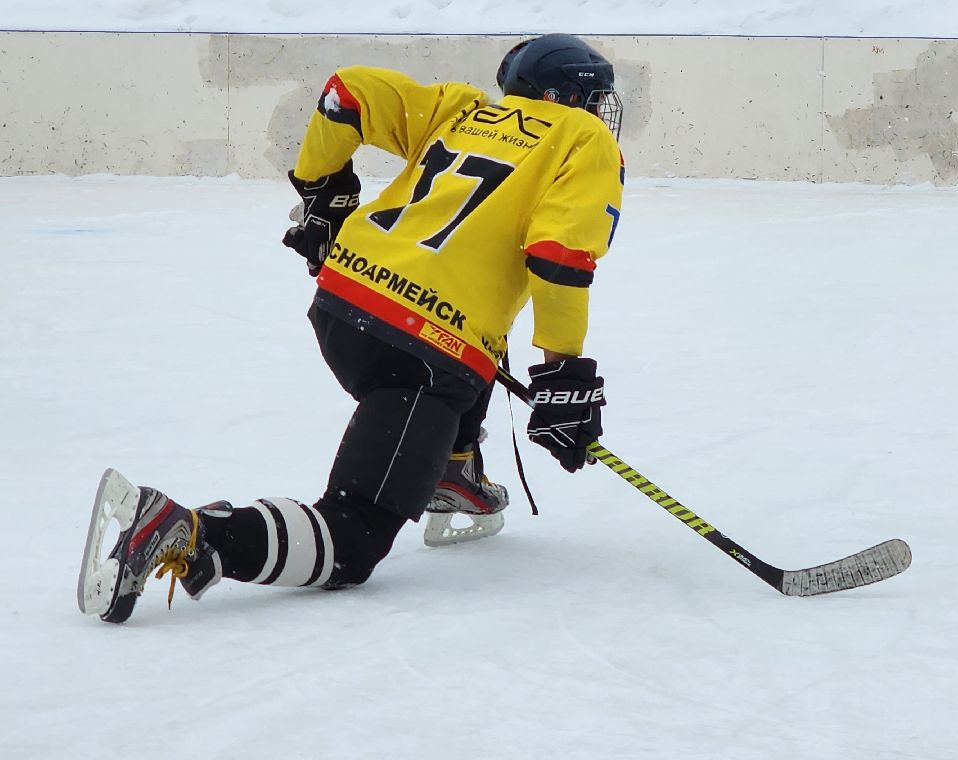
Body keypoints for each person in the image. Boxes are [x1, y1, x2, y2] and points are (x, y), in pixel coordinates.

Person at [77, 34, 625, 624]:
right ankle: (187, 532)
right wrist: (562, 369)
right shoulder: (584, 138)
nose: (601, 113)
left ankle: (455, 471)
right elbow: (559, 256)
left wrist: (323, 193)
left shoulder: (465, 109)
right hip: (419, 352)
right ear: (567, 96)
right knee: (355, 536)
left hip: (345, 304)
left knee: (477, 354)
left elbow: (348, 95)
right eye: (596, 100)